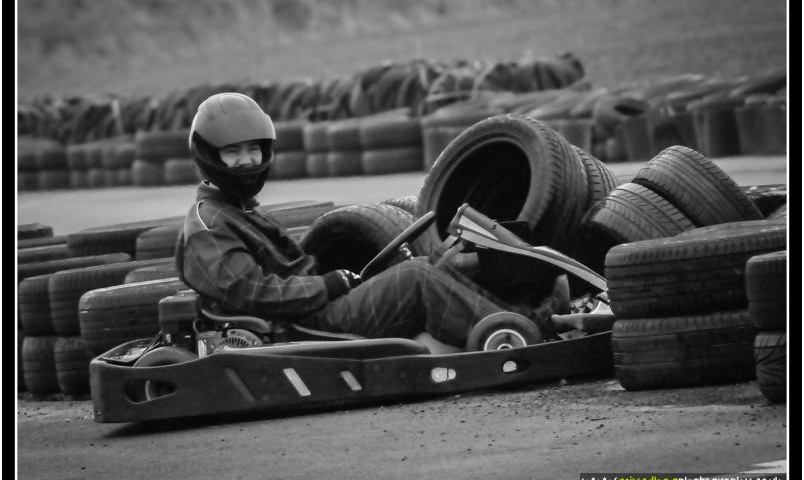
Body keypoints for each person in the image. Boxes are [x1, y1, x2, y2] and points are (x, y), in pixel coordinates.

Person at [177, 92, 568, 352]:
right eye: (233, 152)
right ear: (211, 155)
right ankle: (531, 334)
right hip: (300, 329)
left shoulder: (239, 209)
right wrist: (325, 285)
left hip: (310, 312)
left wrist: (337, 280)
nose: (246, 160)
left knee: (441, 259)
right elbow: (251, 293)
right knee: (414, 277)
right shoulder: (210, 225)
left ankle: (523, 311)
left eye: (252, 150)